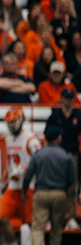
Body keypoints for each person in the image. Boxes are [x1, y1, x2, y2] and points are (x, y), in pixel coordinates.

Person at [22, 125, 76, 245]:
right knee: (56, 229)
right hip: (59, 193)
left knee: (38, 226)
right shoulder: (65, 155)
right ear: (59, 138)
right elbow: (71, 179)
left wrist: (25, 191)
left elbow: (28, 175)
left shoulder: (38, 155)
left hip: (41, 192)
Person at [0, 107, 41, 245]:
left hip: (27, 185)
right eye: (9, 122)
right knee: (3, 217)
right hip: (13, 185)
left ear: (21, 120)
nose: (12, 125)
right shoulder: (9, 139)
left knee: (28, 223)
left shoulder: (31, 139)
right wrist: (6, 178)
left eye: (14, 121)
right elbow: (9, 162)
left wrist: (25, 170)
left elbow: (38, 160)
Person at [46, 88, 81, 228]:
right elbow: (47, 132)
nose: (68, 101)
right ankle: (54, 217)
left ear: (74, 99)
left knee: (71, 186)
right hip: (56, 153)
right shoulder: (55, 114)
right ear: (62, 98)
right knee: (54, 186)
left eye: (71, 98)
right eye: (66, 98)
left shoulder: (78, 114)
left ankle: (70, 217)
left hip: (72, 153)